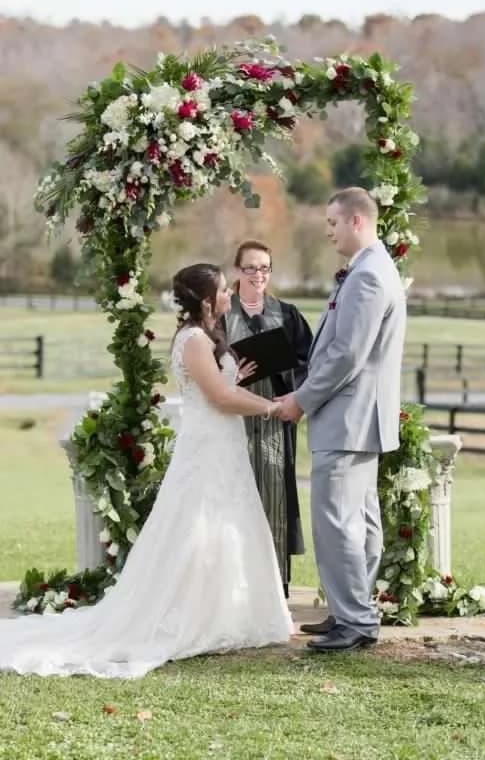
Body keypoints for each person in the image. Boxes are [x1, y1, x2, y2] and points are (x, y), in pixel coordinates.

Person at [0, 264, 293, 678]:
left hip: (223, 445)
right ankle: (192, 616)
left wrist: (235, 375)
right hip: (207, 448)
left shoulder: (208, 337)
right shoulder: (193, 339)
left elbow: (222, 386)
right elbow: (221, 399)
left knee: (224, 523)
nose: (230, 295)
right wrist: (274, 407)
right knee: (195, 526)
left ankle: (227, 612)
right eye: (224, 290)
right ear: (207, 300)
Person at [276, 188, 407, 652]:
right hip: (359, 418)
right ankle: (353, 612)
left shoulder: (369, 276)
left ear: (356, 221)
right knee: (361, 519)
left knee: (337, 521)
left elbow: (346, 354)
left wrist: (302, 399)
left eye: (333, 222)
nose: (328, 231)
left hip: (348, 417)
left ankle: (354, 620)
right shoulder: (372, 269)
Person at [222, 241, 313, 597]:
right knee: (235, 497)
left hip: (276, 419)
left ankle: (276, 587)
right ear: (237, 271)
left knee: (274, 498)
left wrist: (296, 395)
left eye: (264, 268)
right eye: (250, 268)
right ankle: (235, 586)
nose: (258, 275)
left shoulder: (287, 314)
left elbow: (310, 362)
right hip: (233, 422)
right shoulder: (221, 315)